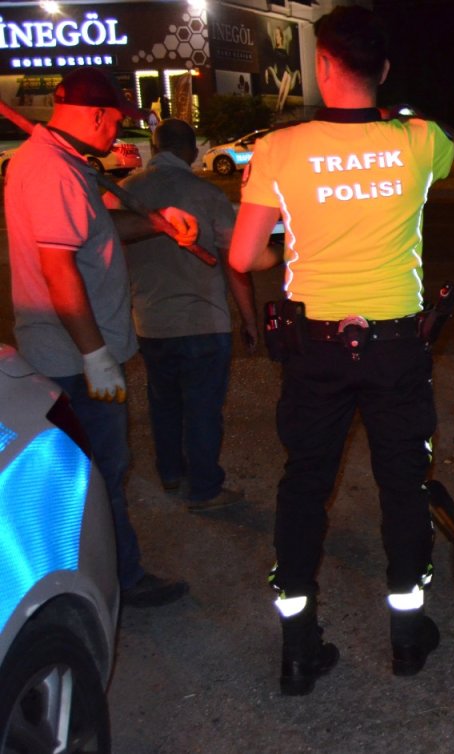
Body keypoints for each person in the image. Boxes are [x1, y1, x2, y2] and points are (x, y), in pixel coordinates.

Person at [227, 6, 454, 696]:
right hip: (394, 351)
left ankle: (299, 648)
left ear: (322, 65)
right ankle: (408, 638)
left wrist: (287, 243)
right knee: (402, 487)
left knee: (304, 486)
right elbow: (428, 165)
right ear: (383, 70)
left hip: (316, 350)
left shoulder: (278, 149)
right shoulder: (422, 140)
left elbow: (244, 256)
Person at [5, 67, 197, 608]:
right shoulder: (50, 170)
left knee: (98, 473)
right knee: (97, 476)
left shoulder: (66, 162)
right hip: (72, 360)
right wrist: (95, 356)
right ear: (95, 115)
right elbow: (58, 269)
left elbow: (95, 236)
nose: (119, 133)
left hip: (80, 356)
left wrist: (158, 223)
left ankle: (108, 575)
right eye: (117, 122)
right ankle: (115, 581)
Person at [118, 118, 257, 512]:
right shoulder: (206, 194)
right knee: (202, 408)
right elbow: (237, 263)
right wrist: (248, 320)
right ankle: (204, 488)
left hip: (150, 321)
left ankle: (171, 473)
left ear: (154, 146)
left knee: (163, 401)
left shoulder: (127, 191)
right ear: (192, 150)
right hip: (203, 321)